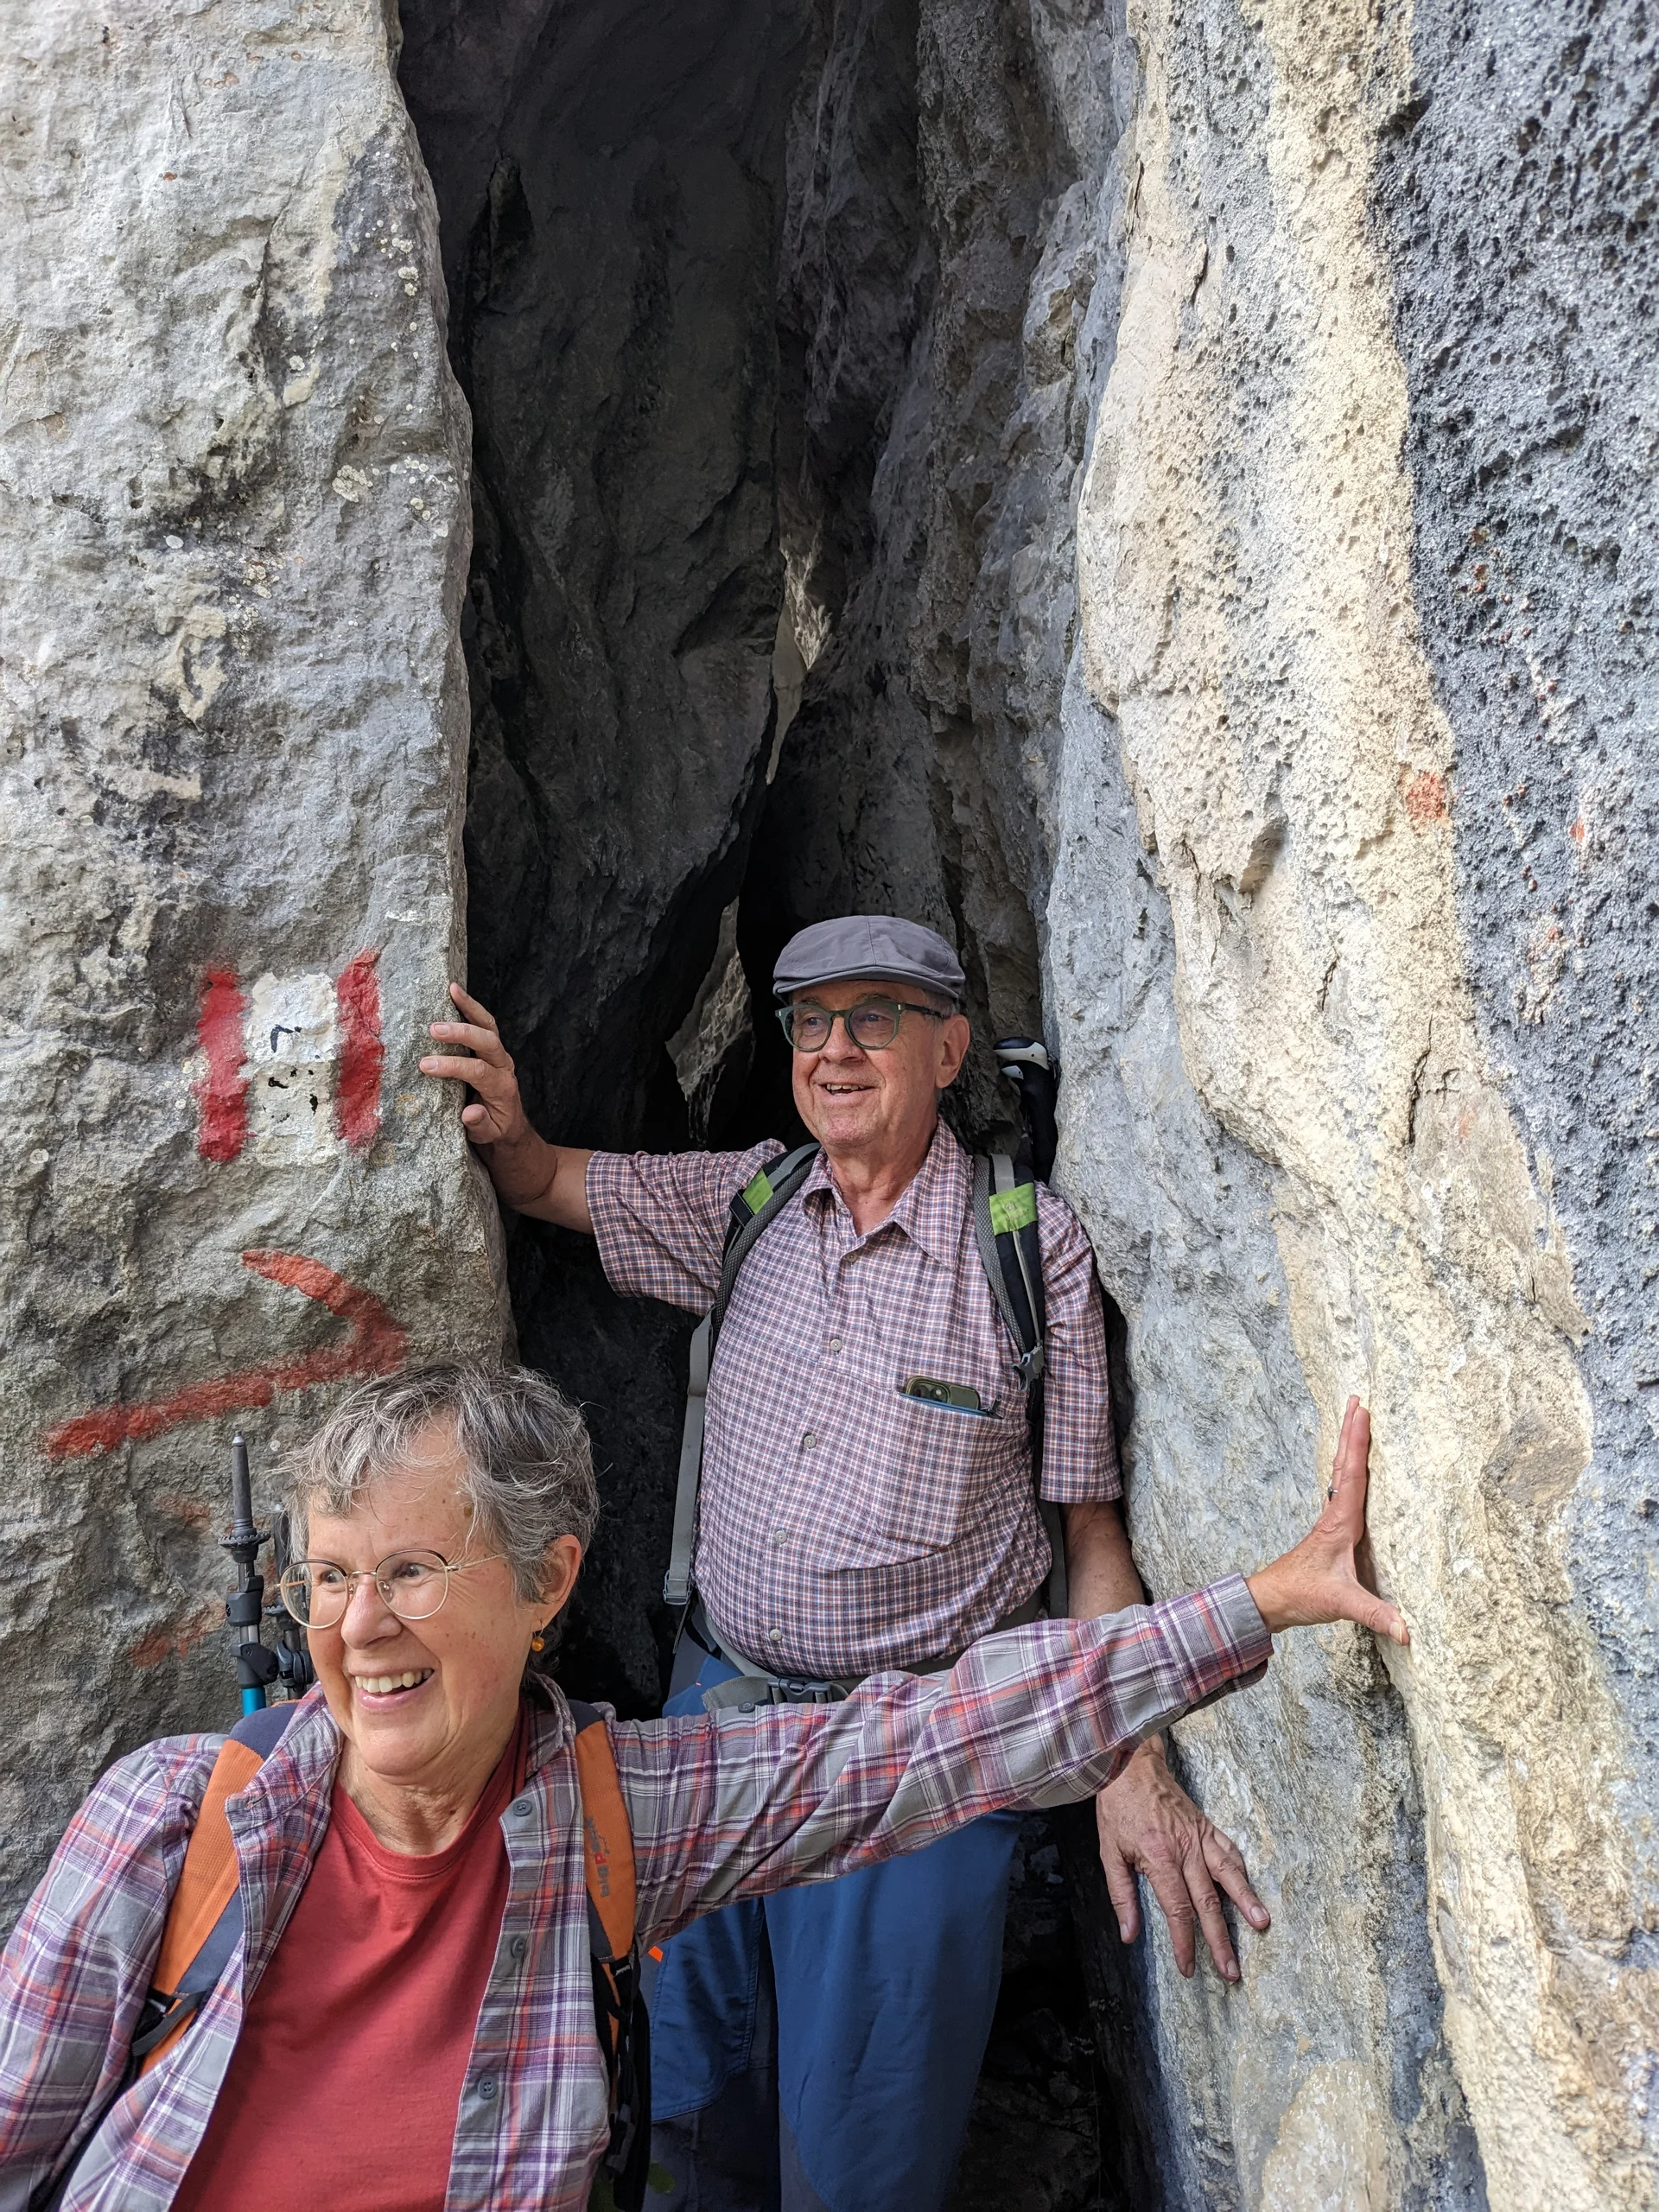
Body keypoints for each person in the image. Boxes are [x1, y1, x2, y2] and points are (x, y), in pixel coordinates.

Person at [0, 1364, 1404, 2212]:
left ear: (548, 1580)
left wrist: (1263, 1602)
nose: (356, 1628)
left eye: (414, 1572)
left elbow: (921, 1745)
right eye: (329, 1577)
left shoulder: (616, 1821)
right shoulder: (177, 1818)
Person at [419, 915, 1287, 2211]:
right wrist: (500, 1124)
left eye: (873, 1017)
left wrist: (1131, 1761)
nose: (834, 1048)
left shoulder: (1025, 1250)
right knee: (688, 2105)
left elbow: (1089, 1541)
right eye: (808, 1021)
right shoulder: (752, 1200)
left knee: (863, 2151)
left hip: (917, 1760)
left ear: (946, 1048)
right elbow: (552, 1182)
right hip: (716, 1727)